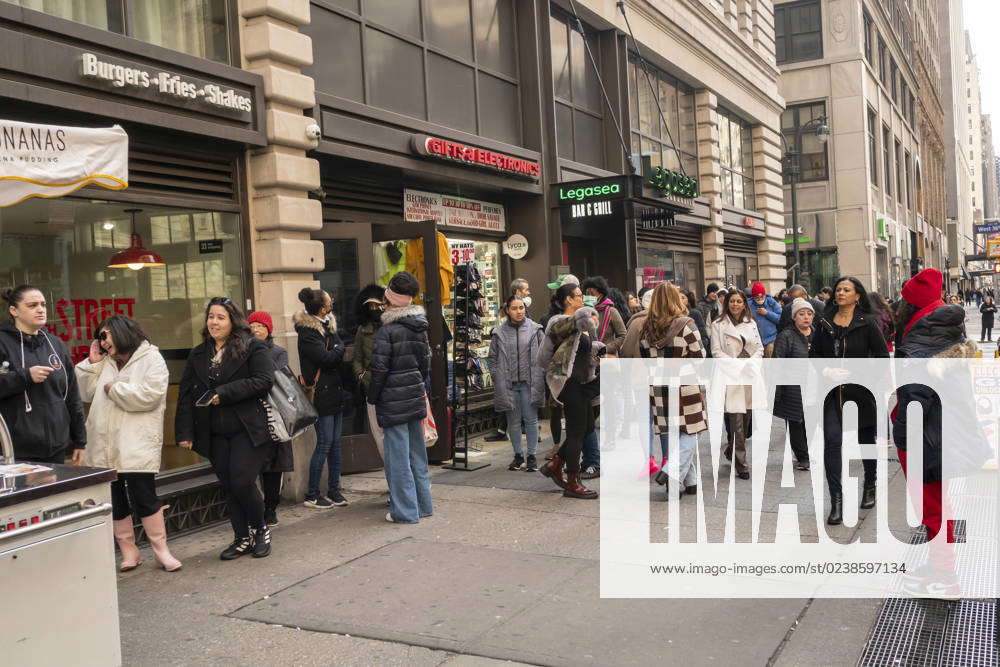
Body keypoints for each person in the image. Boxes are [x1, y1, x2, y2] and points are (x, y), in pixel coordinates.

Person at [893, 268, 980, 597]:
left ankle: (945, 576)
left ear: (912, 304)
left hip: (926, 436)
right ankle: (939, 564)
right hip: (939, 430)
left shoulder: (922, 336)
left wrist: (901, 434)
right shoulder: (943, 327)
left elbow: (916, 394)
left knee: (932, 507)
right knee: (937, 503)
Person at [75, 315, 180, 572]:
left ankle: (161, 551)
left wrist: (115, 390)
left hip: (136, 442)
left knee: (145, 498)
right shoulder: (105, 362)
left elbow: (151, 397)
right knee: (116, 499)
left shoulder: (151, 358)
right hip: (104, 442)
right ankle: (129, 551)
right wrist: (91, 363)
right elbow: (84, 392)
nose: (103, 341)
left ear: (121, 333)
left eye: (105, 335)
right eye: (100, 336)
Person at [176, 297, 275, 559]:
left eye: (220, 317)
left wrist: (224, 393)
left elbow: (264, 381)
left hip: (248, 428)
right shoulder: (199, 353)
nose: (214, 322)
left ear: (233, 321)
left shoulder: (253, 347)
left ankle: (260, 528)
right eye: (211, 316)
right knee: (229, 485)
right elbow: (186, 394)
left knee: (242, 481)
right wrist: (184, 432)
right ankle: (241, 538)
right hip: (212, 431)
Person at [811, 277, 888, 525]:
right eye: (838, 289)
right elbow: (814, 356)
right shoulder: (823, 322)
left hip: (861, 393)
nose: (840, 292)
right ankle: (836, 501)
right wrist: (826, 371)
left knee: (865, 440)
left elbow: (882, 357)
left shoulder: (868, 323)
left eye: (846, 289)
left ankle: (870, 484)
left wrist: (863, 376)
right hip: (832, 393)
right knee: (832, 443)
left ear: (857, 296)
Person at [622, 283, 707, 499]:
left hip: (659, 387)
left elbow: (644, 358)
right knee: (691, 431)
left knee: (675, 432)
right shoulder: (687, 324)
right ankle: (671, 473)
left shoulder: (646, 328)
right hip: (685, 386)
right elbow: (699, 357)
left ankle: (690, 482)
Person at [369, 271, 433, 524]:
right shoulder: (419, 327)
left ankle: (405, 511)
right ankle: (423, 505)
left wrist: (373, 396)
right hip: (414, 397)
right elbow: (424, 365)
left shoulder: (387, 332)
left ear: (390, 299)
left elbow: (379, 371)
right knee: (417, 456)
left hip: (393, 401)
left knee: (398, 460)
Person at [0, 285, 86, 464]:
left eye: (43, 304)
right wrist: (25, 376)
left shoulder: (55, 344)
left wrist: (80, 441)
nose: (40, 309)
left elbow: (72, 395)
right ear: (14, 310)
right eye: (32, 305)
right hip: (15, 450)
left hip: (56, 447)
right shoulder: (3, 343)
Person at [537, 284, 602, 499]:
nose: (582, 298)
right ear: (567, 299)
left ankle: (556, 464)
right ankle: (573, 481)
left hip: (583, 382)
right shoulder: (559, 322)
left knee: (587, 427)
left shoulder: (580, 324)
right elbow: (547, 354)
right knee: (575, 431)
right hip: (569, 382)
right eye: (578, 295)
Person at [295, 288, 348, 509]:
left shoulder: (328, 324)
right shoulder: (307, 332)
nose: (332, 302)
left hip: (335, 391)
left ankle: (334, 489)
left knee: (335, 444)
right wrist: (339, 349)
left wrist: (337, 348)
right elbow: (326, 358)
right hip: (322, 394)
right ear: (322, 307)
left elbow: (337, 349)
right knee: (325, 443)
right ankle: (312, 493)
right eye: (329, 300)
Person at [247, 311, 294, 526]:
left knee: (275, 465)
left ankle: (271, 508)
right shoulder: (241, 352)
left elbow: (279, 380)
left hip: (275, 414)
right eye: (252, 325)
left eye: (261, 326)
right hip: (251, 415)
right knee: (254, 464)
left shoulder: (278, 352)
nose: (256, 329)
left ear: (269, 330)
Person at [488, 294, 545, 472]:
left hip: (529, 383)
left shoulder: (535, 329)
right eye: (514, 308)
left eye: (521, 308)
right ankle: (518, 456)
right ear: (507, 310)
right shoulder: (499, 332)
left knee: (531, 420)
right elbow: (492, 358)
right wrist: (497, 375)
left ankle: (532, 456)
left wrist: (541, 373)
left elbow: (544, 353)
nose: (519, 311)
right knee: (513, 422)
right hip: (508, 384)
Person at [711, 288, 762, 479]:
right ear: (727, 303)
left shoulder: (751, 323)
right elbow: (716, 352)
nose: (735, 304)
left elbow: (759, 348)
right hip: (730, 375)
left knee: (746, 420)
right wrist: (737, 366)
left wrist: (751, 365)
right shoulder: (718, 324)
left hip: (749, 375)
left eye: (739, 301)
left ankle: (732, 451)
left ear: (744, 304)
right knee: (736, 421)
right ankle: (742, 463)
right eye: (732, 301)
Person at [772, 298, 815, 471]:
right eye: (801, 314)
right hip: (792, 386)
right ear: (794, 317)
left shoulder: (817, 333)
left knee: (811, 420)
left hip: (814, 384)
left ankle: (811, 452)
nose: (806, 317)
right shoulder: (786, 336)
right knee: (796, 421)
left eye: (809, 314)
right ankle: (802, 456)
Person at [581, 276, 627, 356]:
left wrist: (606, 348)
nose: (589, 296)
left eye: (592, 294)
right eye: (587, 294)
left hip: (607, 359)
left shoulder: (611, 311)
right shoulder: (583, 312)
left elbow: (623, 336)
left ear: (601, 294)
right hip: (588, 359)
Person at [749, 282, 782, 357]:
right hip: (755, 342)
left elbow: (781, 319)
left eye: (762, 297)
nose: (760, 299)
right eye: (757, 297)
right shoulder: (749, 305)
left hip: (770, 339)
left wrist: (767, 313)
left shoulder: (772, 303)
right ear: (753, 297)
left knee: (770, 363)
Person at [680, 289, 712, 358]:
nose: (680, 300)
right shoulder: (674, 315)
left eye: (682, 298)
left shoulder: (695, 313)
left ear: (688, 300)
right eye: (678, 298)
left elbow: (703, 336)